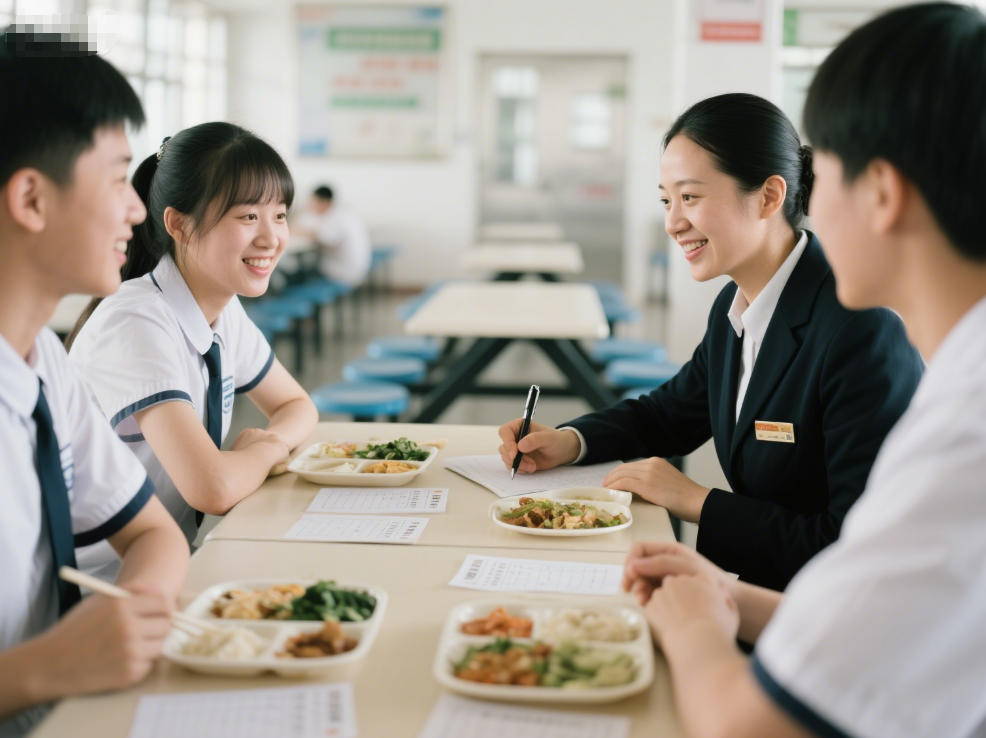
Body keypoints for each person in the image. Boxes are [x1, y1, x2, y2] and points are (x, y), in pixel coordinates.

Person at [623, 4, 986, 736]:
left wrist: (696, 625)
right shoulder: (961, 370)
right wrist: (725, 593)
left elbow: (747, 725)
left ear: (881, 193)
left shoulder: (965, 429)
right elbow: (885, 621)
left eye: (823, 175)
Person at [498, 92, 923, 590]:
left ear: (768, 196)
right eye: (666, 199)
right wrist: (569, 442)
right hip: (766, 595)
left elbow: (854, 543)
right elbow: (670, 413)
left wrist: (697, 501)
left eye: (690, 197)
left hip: (829, 619)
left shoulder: (859, 330)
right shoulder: (735, 305)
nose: (672, 222)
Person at [0, 28, 190, 736]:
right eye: (117, 179)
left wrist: (132, 617)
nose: (136, 210)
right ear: (31, 198)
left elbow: (154, 533)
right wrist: (44, 668)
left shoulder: (42, 361)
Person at [67, 121, 318, 580]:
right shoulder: (136, 322)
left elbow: (297, 405)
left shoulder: (222, 307)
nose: (270, 238)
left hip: (168, 567)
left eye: (279, 215)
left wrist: (270, 442)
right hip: (99, 588)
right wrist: (264, 453)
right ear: (179, 224)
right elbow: (214, 488)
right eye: (247, 217)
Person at [292, 184, 371, 287]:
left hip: (346, 271)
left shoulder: (336, 217)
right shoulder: (343, 212)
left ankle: (300, 296)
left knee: (306, 268)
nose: (311, 206)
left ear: (322, 202)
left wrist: (299, 227)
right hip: (359, 266)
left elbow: (322, 237)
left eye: (313, 202)